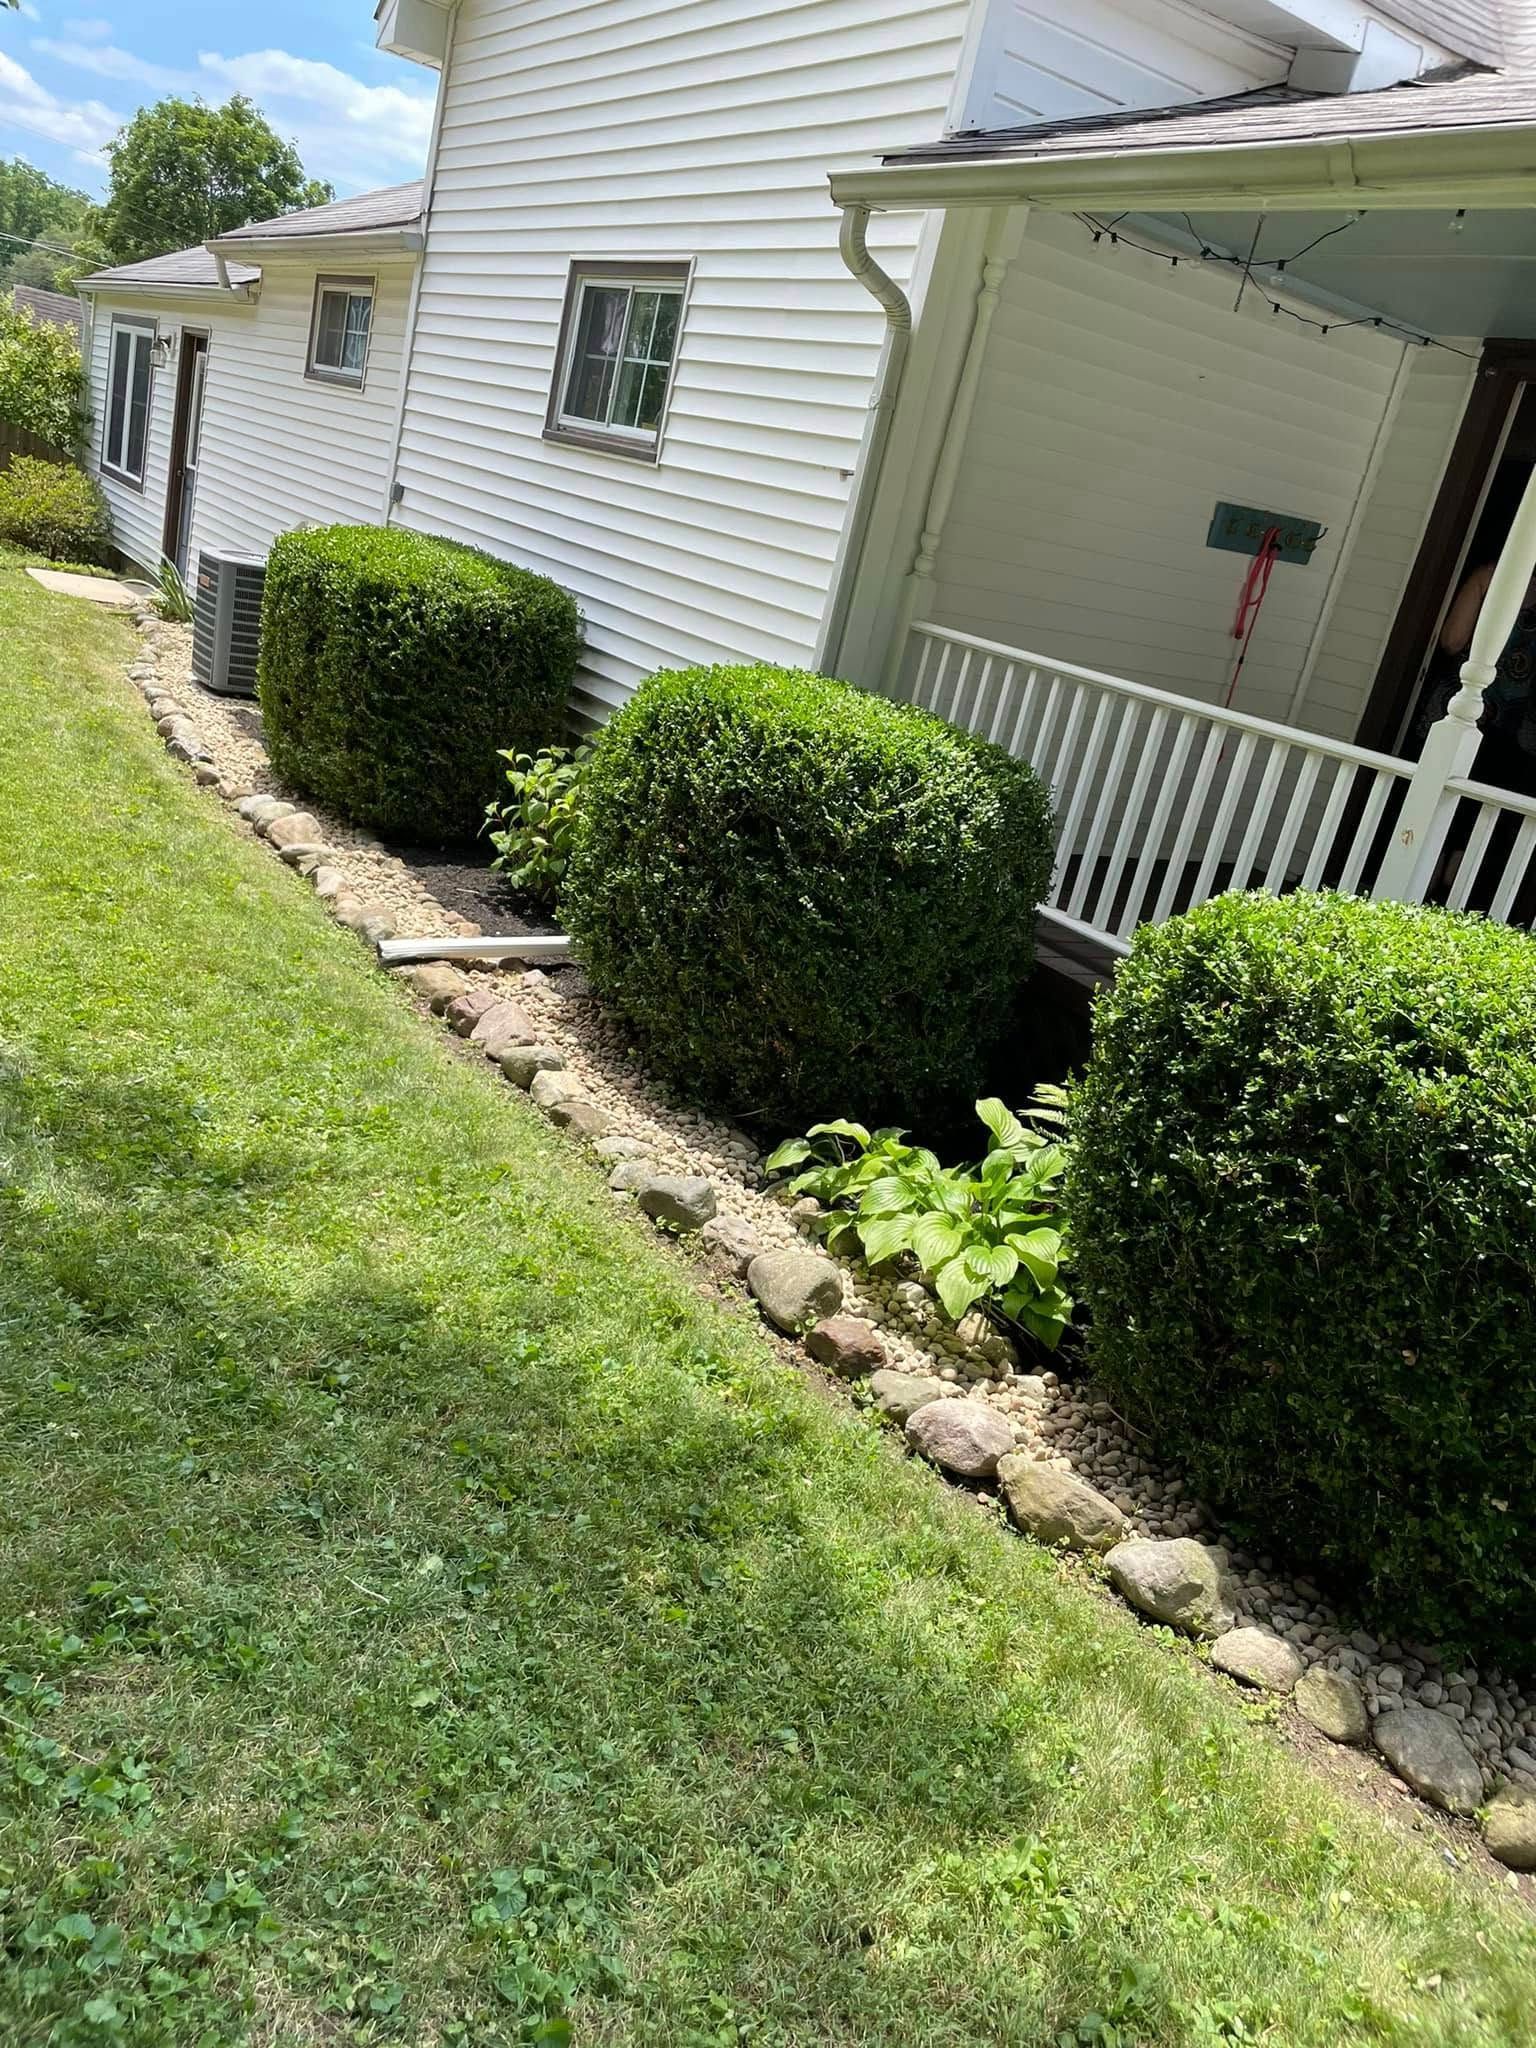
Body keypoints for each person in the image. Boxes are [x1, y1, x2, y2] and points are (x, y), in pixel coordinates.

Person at [1431, 557, 1536, 796]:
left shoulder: (1487, 577)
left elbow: (1452, 641)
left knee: (1433, 786)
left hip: (1460, 707)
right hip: (1516, 728)